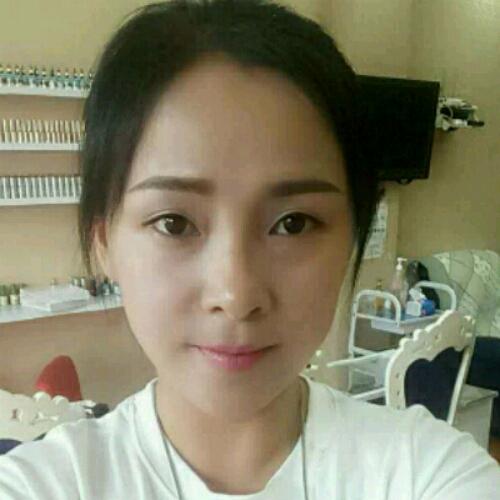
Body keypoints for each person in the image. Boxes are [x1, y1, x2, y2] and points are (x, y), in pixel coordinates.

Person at [0, 1, 498, 498]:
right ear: (104, 242)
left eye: (293, 224)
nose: (236, 295)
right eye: (174, 223)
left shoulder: (426, 472)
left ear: (352, 236)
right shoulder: (44, 485)